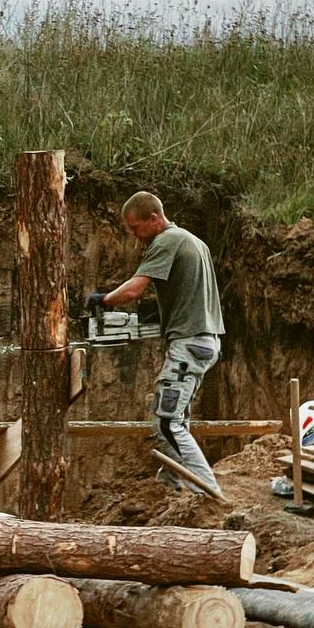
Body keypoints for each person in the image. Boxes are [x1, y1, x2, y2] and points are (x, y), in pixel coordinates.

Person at [86, 191, 225, 495]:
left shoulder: (166, 240)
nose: (135, 238)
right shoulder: (193, 241)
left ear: (154, 219)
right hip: (203, 341)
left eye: (136, 229)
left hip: (189, 343)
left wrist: (103, 300)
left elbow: (135, 290)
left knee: (166, 423)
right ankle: (170, 486)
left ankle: (208, 495)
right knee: (179, 418)